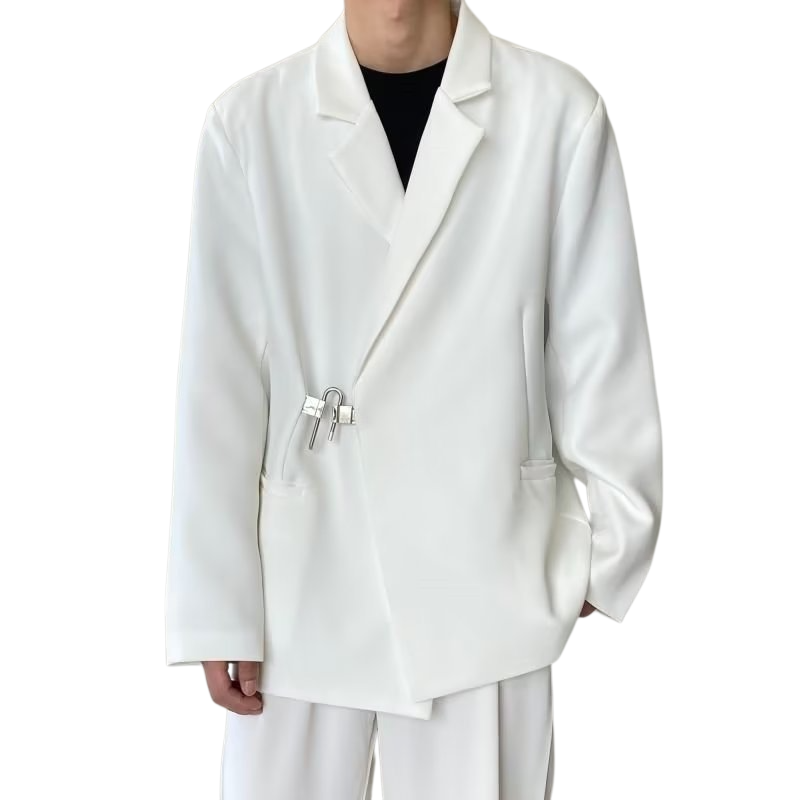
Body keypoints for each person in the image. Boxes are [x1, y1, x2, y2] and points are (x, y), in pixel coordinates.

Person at [164, 0, 663, 797]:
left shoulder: (559, 114)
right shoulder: (249, 124)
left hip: (486, 583)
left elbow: (602, 345)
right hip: (302, 583)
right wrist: (216, 603)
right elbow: (218, 381)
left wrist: (603, 552)